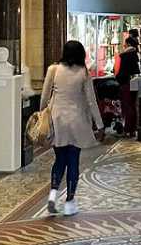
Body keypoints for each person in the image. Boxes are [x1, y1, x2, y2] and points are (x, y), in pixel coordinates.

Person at [42, 40, 104, 216]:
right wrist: (99, 124)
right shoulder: (83, 72)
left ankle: (52, 198)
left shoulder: (53, 70)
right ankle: (70, 201)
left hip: (58, 119)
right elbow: (91, 100)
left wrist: (41, 117)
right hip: (77, 120)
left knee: (59, 159)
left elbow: (45, 96)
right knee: (73, 160)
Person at [114, 34, 140, 138]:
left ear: (128, 44)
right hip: (134, 82)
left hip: (125, 83)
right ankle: (132, 129)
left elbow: (118, 71)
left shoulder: (123, 56)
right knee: (133, 106)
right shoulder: (135, 55)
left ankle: (127, 129)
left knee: (127, 106)